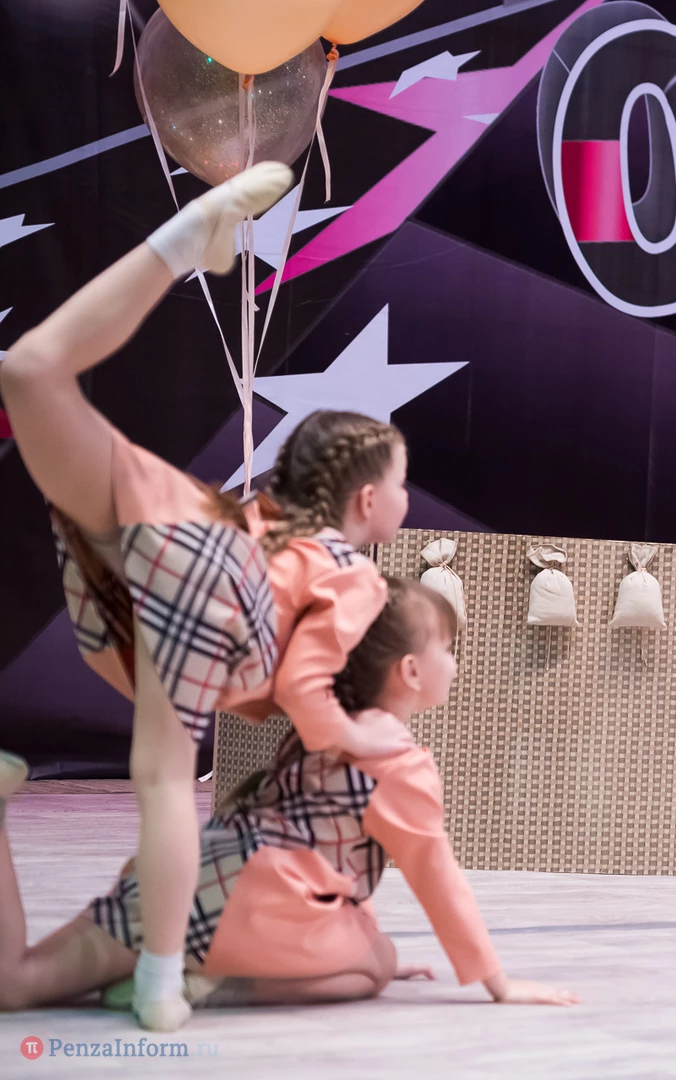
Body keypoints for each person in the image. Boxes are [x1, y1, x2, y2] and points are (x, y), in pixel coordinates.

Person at [0, 162, 292, 1030]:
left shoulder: (266, 568)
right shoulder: (229, 550)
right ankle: (162, 978)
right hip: (159, 559)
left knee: (31, 370)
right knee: (30, 372)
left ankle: (162, 979)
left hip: (182, 557)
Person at [0, 579, 579, 1015]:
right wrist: (498, 983)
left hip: (174, 880)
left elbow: (332, 863)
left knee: (15, 982)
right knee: (375, 966)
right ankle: (200, 984)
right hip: (240, 914)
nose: (455, 663)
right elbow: (439, 878)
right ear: (409, 671)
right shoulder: (400, 763)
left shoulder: (315, 729)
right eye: (449, 648)